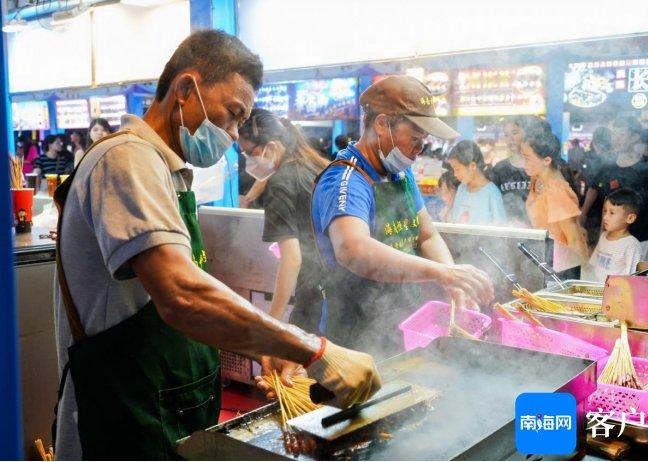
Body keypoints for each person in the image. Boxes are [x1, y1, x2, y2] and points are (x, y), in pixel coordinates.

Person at [53, 30, 380, 460]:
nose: (232, 132)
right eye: (232, 113)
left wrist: (268, 342)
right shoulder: (126, 159)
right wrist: (312, 349)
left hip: (162, 409)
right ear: (186, 89)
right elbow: (183, 295)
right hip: (121, 422)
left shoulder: (168, 172)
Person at [310, 75, 494, 359]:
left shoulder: (400, 174)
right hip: (354, 337)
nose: (421, 148)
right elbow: (352, 249)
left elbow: (427, 234)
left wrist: (453, 282)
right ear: (382, 124)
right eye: (416, 138)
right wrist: (442, 273)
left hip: (401, 325)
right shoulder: (345, 180)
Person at [238, 108, 329, 333]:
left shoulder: (280, 185)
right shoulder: (311, 164)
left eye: (248, 153)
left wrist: (272, 325)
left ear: (270, 146)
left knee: (304, 364)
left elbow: (292, 259)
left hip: (314, 293)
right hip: (337, 289)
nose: (247, 160)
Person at [586, 117, 648, 261]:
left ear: (634, 137)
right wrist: (601, 230)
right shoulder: (608, 166)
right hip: (613, 234)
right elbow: (605, 198)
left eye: (621, 135)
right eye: (613, 135)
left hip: (643, 232)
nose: (615, 139)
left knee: (639, 276)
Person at [521, 117, 588, 278]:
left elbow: (575, 240)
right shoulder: (537, 179)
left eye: (527, 158)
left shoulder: (556, 191)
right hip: (546, 260)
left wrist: (580, 282)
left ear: (547, 160)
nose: (524, 163)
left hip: (562, 269)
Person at [581, 188, 642, 283]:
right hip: (596, 292)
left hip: (615, 296)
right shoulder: (603, 236)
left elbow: (632, 280)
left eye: (611, 213)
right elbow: (592, 265)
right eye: (605, 211)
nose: (605, 217)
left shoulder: (631, 245)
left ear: (630, 218)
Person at [447, 140, 506, 225]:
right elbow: (455, 219)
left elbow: (500, 227)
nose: (455, 174)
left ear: (472, 166)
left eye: (457, 169)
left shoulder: (492, 193)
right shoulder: (461, 189)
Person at [489, 116, 531, 226]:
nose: (510, 139)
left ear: (526, 134)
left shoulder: (536, 167)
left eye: (514, 133)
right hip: (508, 230)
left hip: (536, 229)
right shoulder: (499, 169)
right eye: (506, 135)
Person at [579, 126, 613, 248]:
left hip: (595, 209)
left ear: (596, 143)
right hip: (612, 211)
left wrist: (583, 212)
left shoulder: (595, 160)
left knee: (593, 244)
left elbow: (593, 189)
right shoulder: (615, 158)